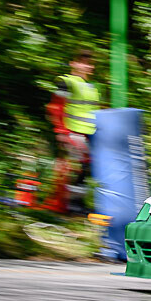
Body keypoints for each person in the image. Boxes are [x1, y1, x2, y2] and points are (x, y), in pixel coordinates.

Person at [44, 49, 100, 214]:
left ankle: (76, 203)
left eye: (89, 63)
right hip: (73, 132)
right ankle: (70, 205)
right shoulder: (66, 82)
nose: (86, 66)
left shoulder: (92, 87)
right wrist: (61, 131)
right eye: (83, 62)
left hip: (90, 134)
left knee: (85, 168)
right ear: (73, 63)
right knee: (78, 167)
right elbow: (56, 106)